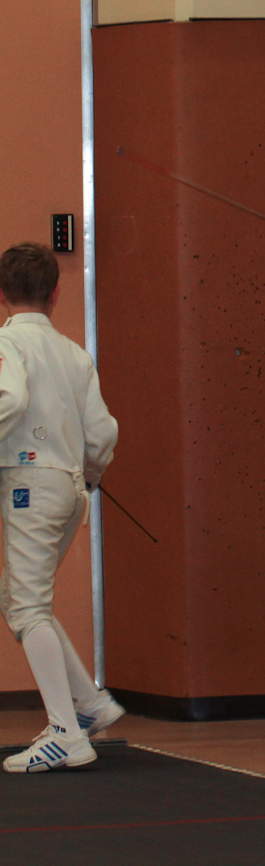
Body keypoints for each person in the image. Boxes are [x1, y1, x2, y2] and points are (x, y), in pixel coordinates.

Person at [0, 243, 121, 773]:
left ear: (1, 295)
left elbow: (9, 400)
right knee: (20, 597)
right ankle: (90, 704)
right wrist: (90, 475)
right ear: (54, 293)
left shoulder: (6, 343)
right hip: (72, 489)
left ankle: (67, 735)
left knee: (27, 607)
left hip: (31, 485)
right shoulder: (75, 353)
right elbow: (102, 434)